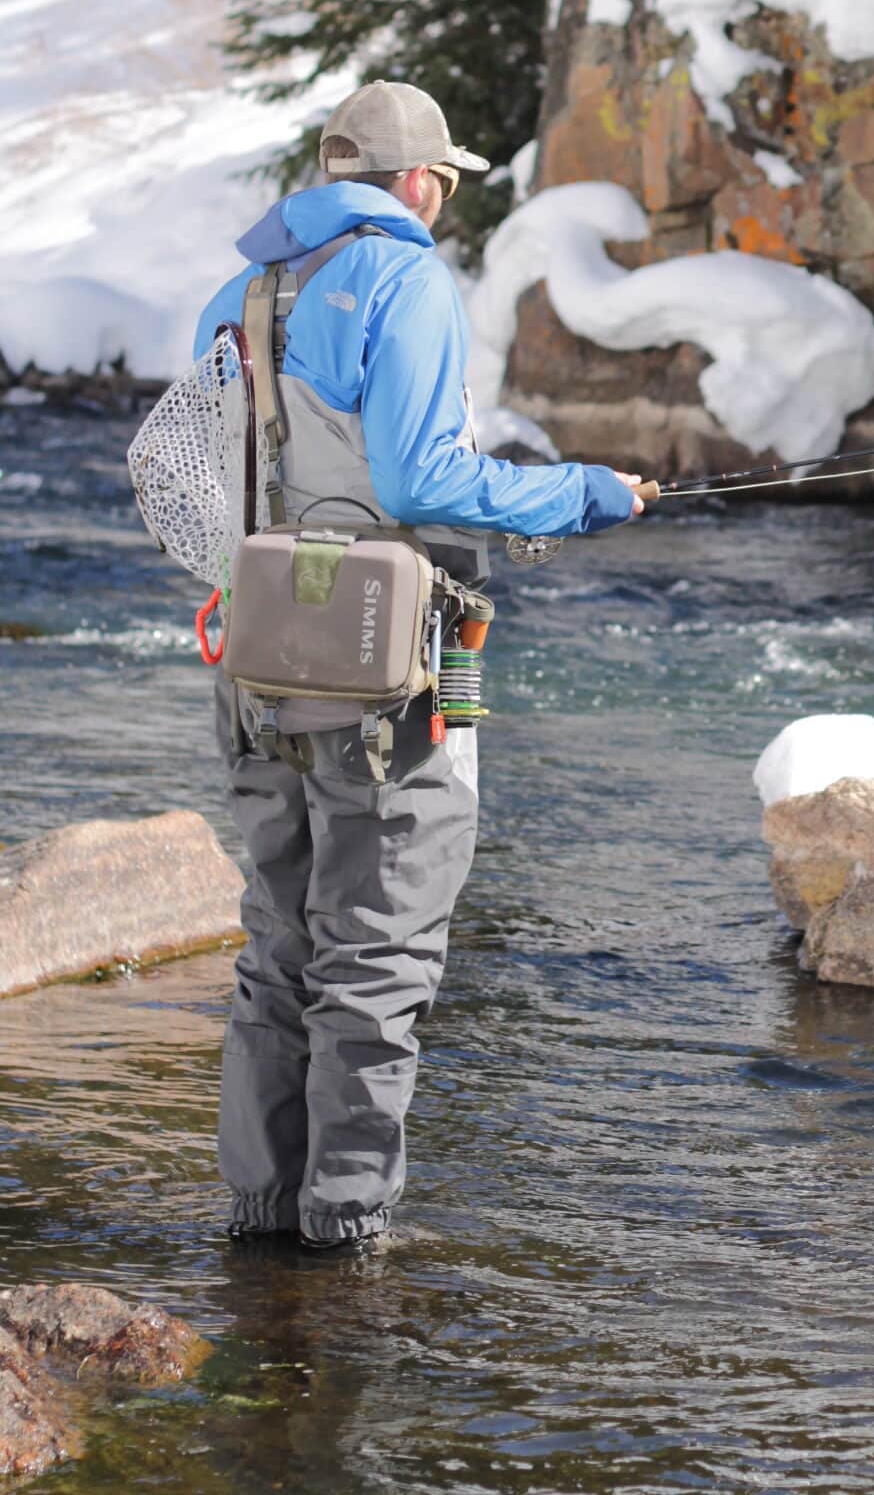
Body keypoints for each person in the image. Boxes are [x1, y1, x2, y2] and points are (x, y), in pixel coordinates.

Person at [194, 79, 642, 1252]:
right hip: (382, 664)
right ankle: (345, 1229)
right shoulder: (405, 280)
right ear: (417, 181)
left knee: (279, 942)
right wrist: (582, 494)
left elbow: (205, 478)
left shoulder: (240, 292)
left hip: (254, 656)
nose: (442, 197)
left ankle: (261, 1215)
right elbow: (423, 481)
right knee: (378, 950)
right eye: (443, 179)